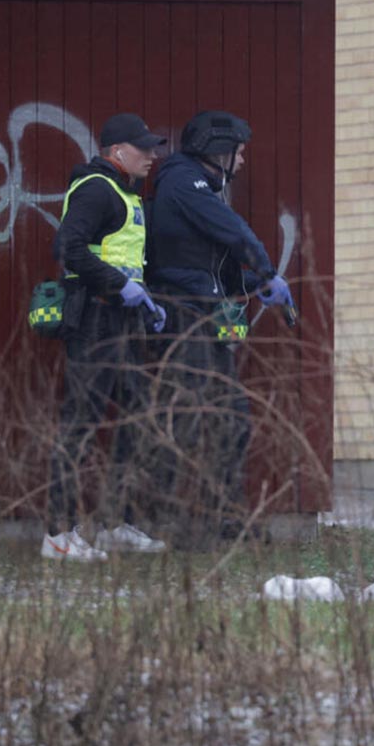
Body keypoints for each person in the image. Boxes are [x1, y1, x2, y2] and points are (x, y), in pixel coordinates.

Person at [145, 110, 293, 545]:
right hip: (184, 315)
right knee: (191, 418)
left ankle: (226, 517)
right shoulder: (182, 181)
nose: (243, 161)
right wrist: (266, 270)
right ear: (218, 151)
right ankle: (180, 523)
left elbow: (214, 266)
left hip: (204, 312)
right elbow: (234, 233)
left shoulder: (201, 189)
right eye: (239, 153)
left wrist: (253, 285)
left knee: (230, 418)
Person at [43, 113, 169, 561]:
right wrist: (120, 287)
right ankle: (58, 536)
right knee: (80, 424)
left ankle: (117, 522)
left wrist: (146, 301)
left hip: (122, 321)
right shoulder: (97, 189)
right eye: (144, 148)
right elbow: (68, 249)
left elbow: (123, 259)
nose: (153, 156)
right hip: (95, 321)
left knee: (136, 419)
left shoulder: (125, 194)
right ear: (118, 151)